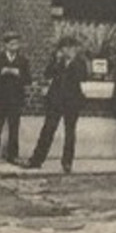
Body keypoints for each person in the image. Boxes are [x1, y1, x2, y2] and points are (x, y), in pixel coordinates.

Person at [25, 37, 87, 172]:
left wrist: (72, 62)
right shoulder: (57, 61)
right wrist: (57, 61)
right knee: (48, 130)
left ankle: (67, 162)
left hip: (72, 102)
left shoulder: (80, 63)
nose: (68, 51)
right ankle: (36, 159)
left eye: (70, 48)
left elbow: (83, 77)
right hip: (55, 101)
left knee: (70, 133)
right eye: (65, 48)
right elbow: (47, 74)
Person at [0, 31, 30, 166]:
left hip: (16, 99)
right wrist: (1, 73)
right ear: (5, 45)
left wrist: (19, 73)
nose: (15, 46)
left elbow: (28, 79)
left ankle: (13, 155)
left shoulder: (23, 61)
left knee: (14, 128)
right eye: (11, 44)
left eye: (16, 43)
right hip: (0, 99)